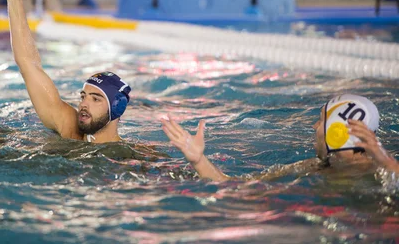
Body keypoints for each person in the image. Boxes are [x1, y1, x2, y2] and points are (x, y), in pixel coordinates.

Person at [4, 0, 132, 143]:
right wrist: (14, 0)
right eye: (83, 96)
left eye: (95, 99)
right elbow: (28, 64)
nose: (83, 104)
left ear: (116, 107)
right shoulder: (69, 127)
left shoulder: (127, 158)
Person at [162, 94, 399, 182]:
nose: (315, 126)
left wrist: (387, 163)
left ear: (336, 131)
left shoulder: (379, 170)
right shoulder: (314, 167)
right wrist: (198, 160)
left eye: (321, 120)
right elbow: (236, 186)